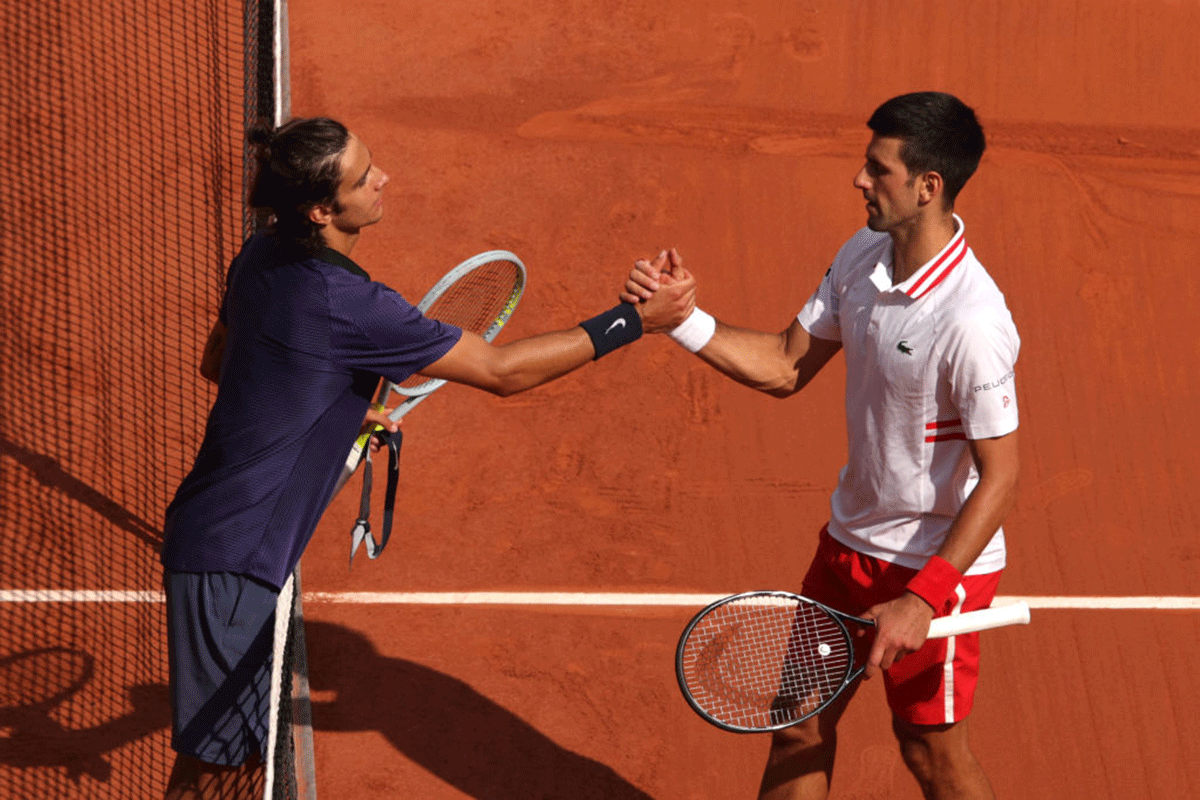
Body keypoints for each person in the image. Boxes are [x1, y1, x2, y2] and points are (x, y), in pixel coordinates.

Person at [160, 116, 695, 799]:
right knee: (224, 778)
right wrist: (633, 322)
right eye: (363, 178)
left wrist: (342, 407)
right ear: (323, 210)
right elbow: (502, 371)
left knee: (228, 762)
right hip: (235, 561)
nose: (384, 179)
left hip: (217, 532)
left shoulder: (261, 256)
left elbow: (220, 363)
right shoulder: (352, 306)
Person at [624, 92, 1019, 800]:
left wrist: (924, 600)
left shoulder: (971, 320)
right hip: (849, 545)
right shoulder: (862, 256)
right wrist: (681, 321)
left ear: (928, 187)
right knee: (798, 721)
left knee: (931, 755)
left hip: (934, 571)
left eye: (878, 170)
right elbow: (783, 364)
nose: (859, 181)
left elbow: (1001, 476)